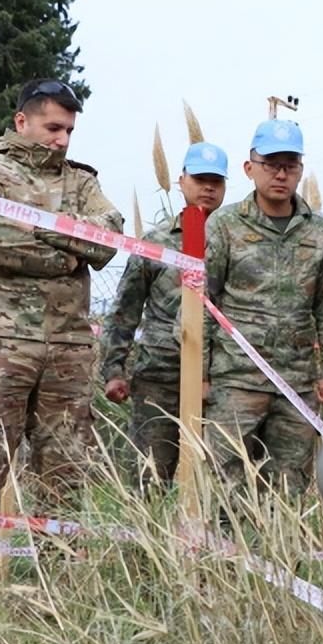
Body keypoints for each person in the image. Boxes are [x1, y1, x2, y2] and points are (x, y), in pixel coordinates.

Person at [0, 78, 123, 570]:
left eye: (68, 130)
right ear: (22, 121)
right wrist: (67, 246)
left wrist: (33, 224)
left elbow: (107, 240)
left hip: (68, 345)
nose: (62, 139)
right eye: (53, 127)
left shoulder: (81, 181)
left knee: (66, 464)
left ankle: (60, 570)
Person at [203, 119, 323, 493]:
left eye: (290, 165)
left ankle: (283, 552)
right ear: (250, 168)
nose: (281, 174)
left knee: (290, 483)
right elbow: (202, 300)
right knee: (223, 478)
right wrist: (200, 373)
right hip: (236, 378)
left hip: (296, 380)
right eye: (271, 164)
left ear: (300, 169)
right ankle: (224, 551)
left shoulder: (318, 230)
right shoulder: (225, 225)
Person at [102, 142, 228, 485]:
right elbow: (124, 311)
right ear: (181, 181)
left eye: (216, 181)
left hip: (223, 379)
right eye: (200, 179)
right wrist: (113, 369)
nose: (208, 188)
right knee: (151, 473)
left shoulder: (236, 241)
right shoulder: (154, 242)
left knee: (216, 476)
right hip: (159, 375)